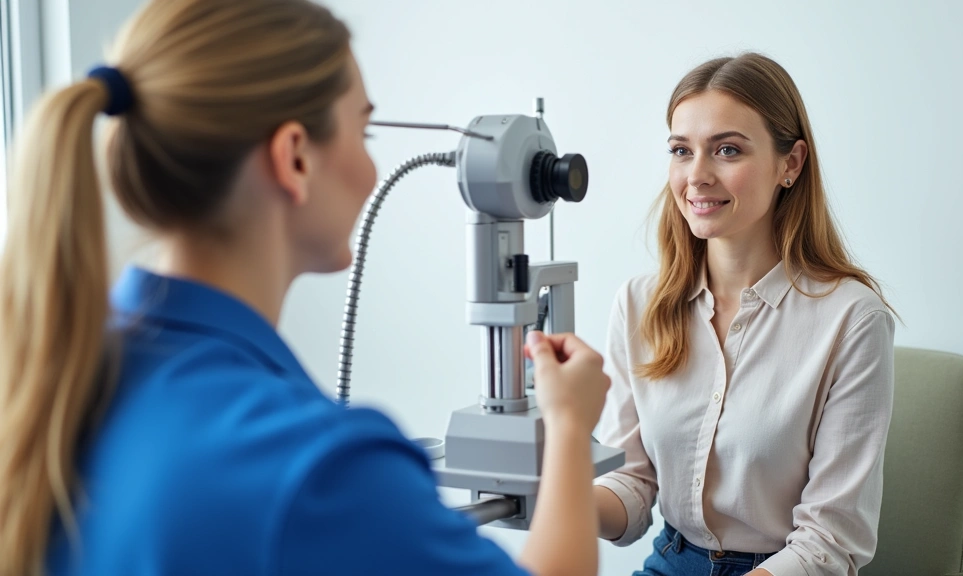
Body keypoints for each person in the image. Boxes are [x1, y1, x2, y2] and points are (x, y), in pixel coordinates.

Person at [0, 1, 611, 575]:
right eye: (363, 134)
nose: (371, 170)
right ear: (294, 158)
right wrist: (567, 427)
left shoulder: (57, 375)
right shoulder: (322, 470)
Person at [592, 53, 896, 576]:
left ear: (791, 164)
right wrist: (551, 492)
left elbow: (831, 540)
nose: (697, 175)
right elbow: (634, 483)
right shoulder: (639, 303)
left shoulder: (853, 319)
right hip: (670, 560)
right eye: (681, 151)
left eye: (727, 150)